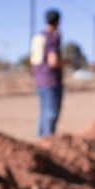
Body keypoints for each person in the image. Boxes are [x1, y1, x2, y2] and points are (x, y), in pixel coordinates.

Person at [30, 8, 63, 136]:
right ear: (58, 22)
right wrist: (67, 62)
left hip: (39, 80)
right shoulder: (52, 37)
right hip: (51, 81)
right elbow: (53, 61)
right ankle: (48, 142)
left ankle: (41, 140)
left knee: (44, 113)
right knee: (50, 114)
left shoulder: (38, 37)